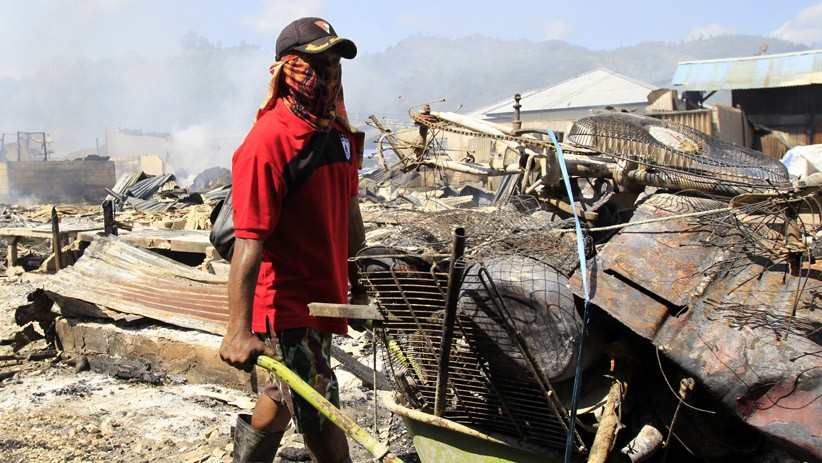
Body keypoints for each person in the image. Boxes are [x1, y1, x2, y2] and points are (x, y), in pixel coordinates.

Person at [219, 17, 367, 463]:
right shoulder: (268, 142)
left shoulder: (340, 133)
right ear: (287, 69)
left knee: (283, 398)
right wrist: (238, 330)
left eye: (335, 62)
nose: (328, 73)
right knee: (322, 417)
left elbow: (351, 214)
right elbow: (249, 240)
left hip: (324, 299)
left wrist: (357, 287)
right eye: (316, 63)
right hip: (286, 306)